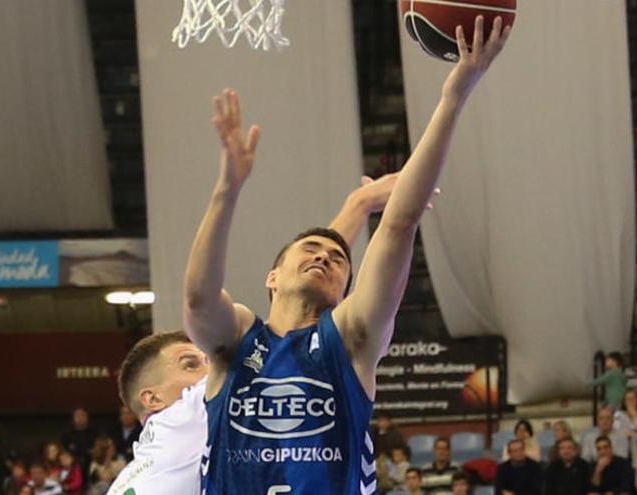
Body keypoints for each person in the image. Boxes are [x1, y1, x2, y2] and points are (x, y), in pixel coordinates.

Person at [184, 17, 511, 494]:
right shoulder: (236, 337)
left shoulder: (351, 340)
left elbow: (398, 226)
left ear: (345, 290)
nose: (324, 258)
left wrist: (453, 97)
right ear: (272, 277)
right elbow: (197, 301)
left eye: (339, 260)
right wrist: (227, 190)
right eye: (310, 250)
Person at [108, 160, 417, 494]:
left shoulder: (141, 465)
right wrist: (359, 206)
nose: (208, 365)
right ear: (152, 399)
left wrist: (357, 206)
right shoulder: (187, 411)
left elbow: (303, 272)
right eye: (191, 363)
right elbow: (292, 282)